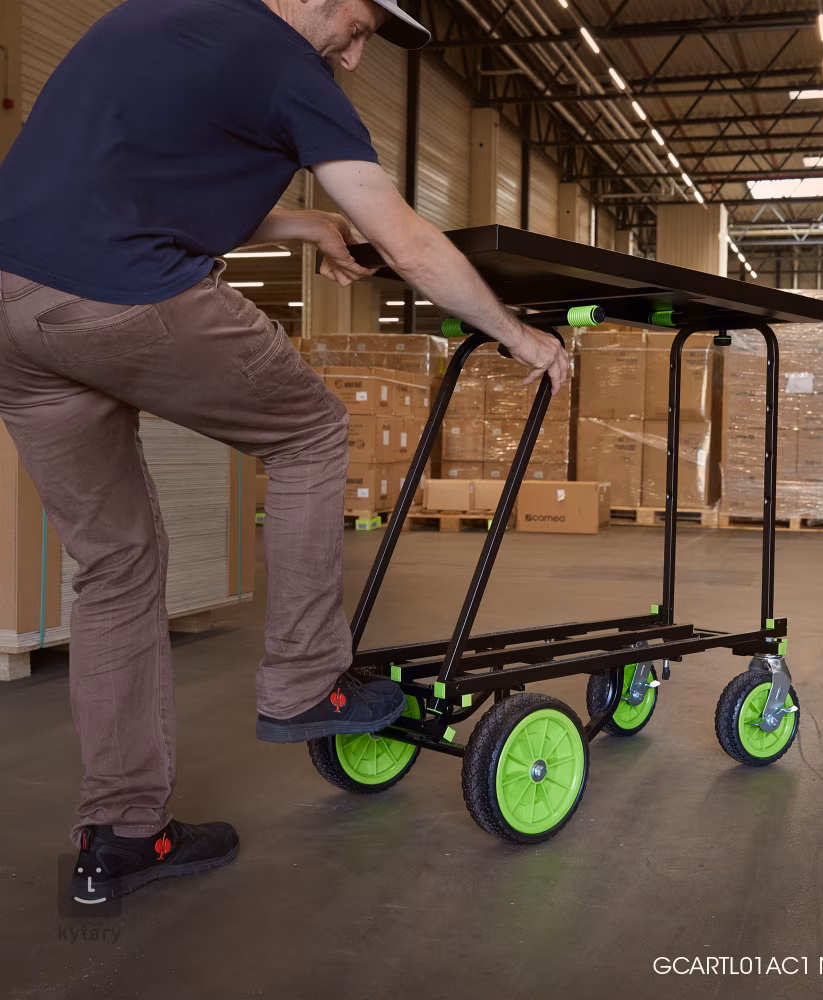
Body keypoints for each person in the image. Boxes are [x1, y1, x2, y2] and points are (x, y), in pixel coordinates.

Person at [0, 0, 569, 903]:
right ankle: (308, 680)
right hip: (117, 295)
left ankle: (123, 834)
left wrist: (298, 223)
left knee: (114, 565)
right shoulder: (287, 66)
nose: (355, 57)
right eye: (363, 28)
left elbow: (133, 185)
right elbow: (408, 242)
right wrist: (520, 336)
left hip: (10, 312)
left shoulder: (147, 19)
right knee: (309, 431)